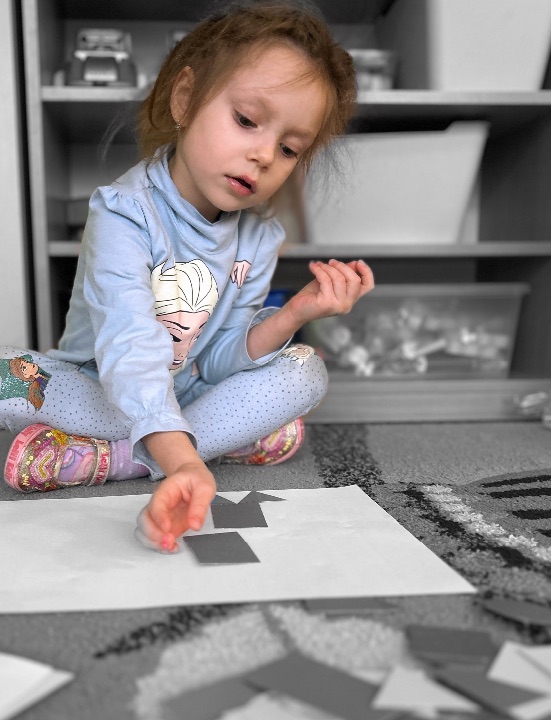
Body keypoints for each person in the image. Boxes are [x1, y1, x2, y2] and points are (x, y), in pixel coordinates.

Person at [0, 0, 374, 552]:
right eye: (246, 120)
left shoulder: (259, 238)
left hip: (190, 391)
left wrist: (298, 311)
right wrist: (183, 460)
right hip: (103, 390)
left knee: (305, 371)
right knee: (5, 374)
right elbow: (128, 343)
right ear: (185, 99)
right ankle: (205, 444)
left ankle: (118, 459)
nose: (264, 155)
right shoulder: (123, 213)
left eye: (289, 148)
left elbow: (220, 358)